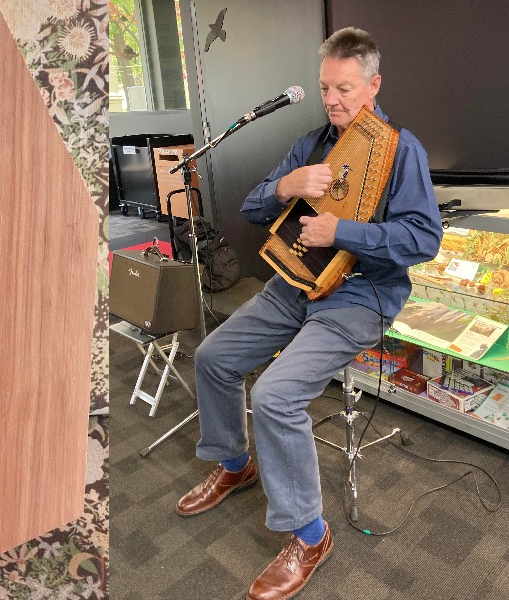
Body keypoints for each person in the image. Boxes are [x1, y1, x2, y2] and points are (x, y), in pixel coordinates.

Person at [175, 27, 443, 600]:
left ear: (373, 85)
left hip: (359, 296)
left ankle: (311, 534)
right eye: (326, 88)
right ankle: (234, 461)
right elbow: (251, 207)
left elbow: (424, 239)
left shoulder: (402, 150)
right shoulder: (311, 144)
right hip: (294, 284)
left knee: (275, 395)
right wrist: (288, 185)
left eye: (344, 89)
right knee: (214, 356)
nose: (333, 100)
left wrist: (342, 230)